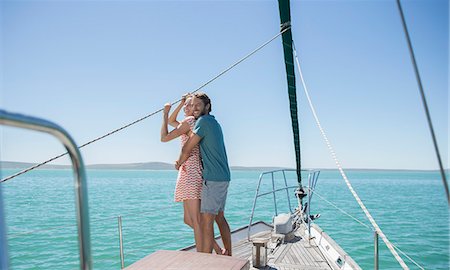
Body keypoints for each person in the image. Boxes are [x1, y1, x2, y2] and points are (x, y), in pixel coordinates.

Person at [160, 94, 223, 254]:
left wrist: (165, 113)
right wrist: (180, 104)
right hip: (190, 171)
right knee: (189, 220)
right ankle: (216, 248)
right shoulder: (191, 122)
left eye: (190, 105)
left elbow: (164, 138)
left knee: (196, 221)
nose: (188, 108)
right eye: (187, 105)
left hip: (191, 172)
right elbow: (173, 123)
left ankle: (201, 258)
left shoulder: (189, 122)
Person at [175, 92, 232, 256]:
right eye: (192, 105)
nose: (195, 108)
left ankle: (206, 262)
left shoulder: (204, 121)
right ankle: (228, 255)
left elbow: (187, 148)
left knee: (206, 221)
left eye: (198, 105)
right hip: (224, 176)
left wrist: (179, 163)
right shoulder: (214, 122)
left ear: (207, 107)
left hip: (213, 178)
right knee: (219, 218)